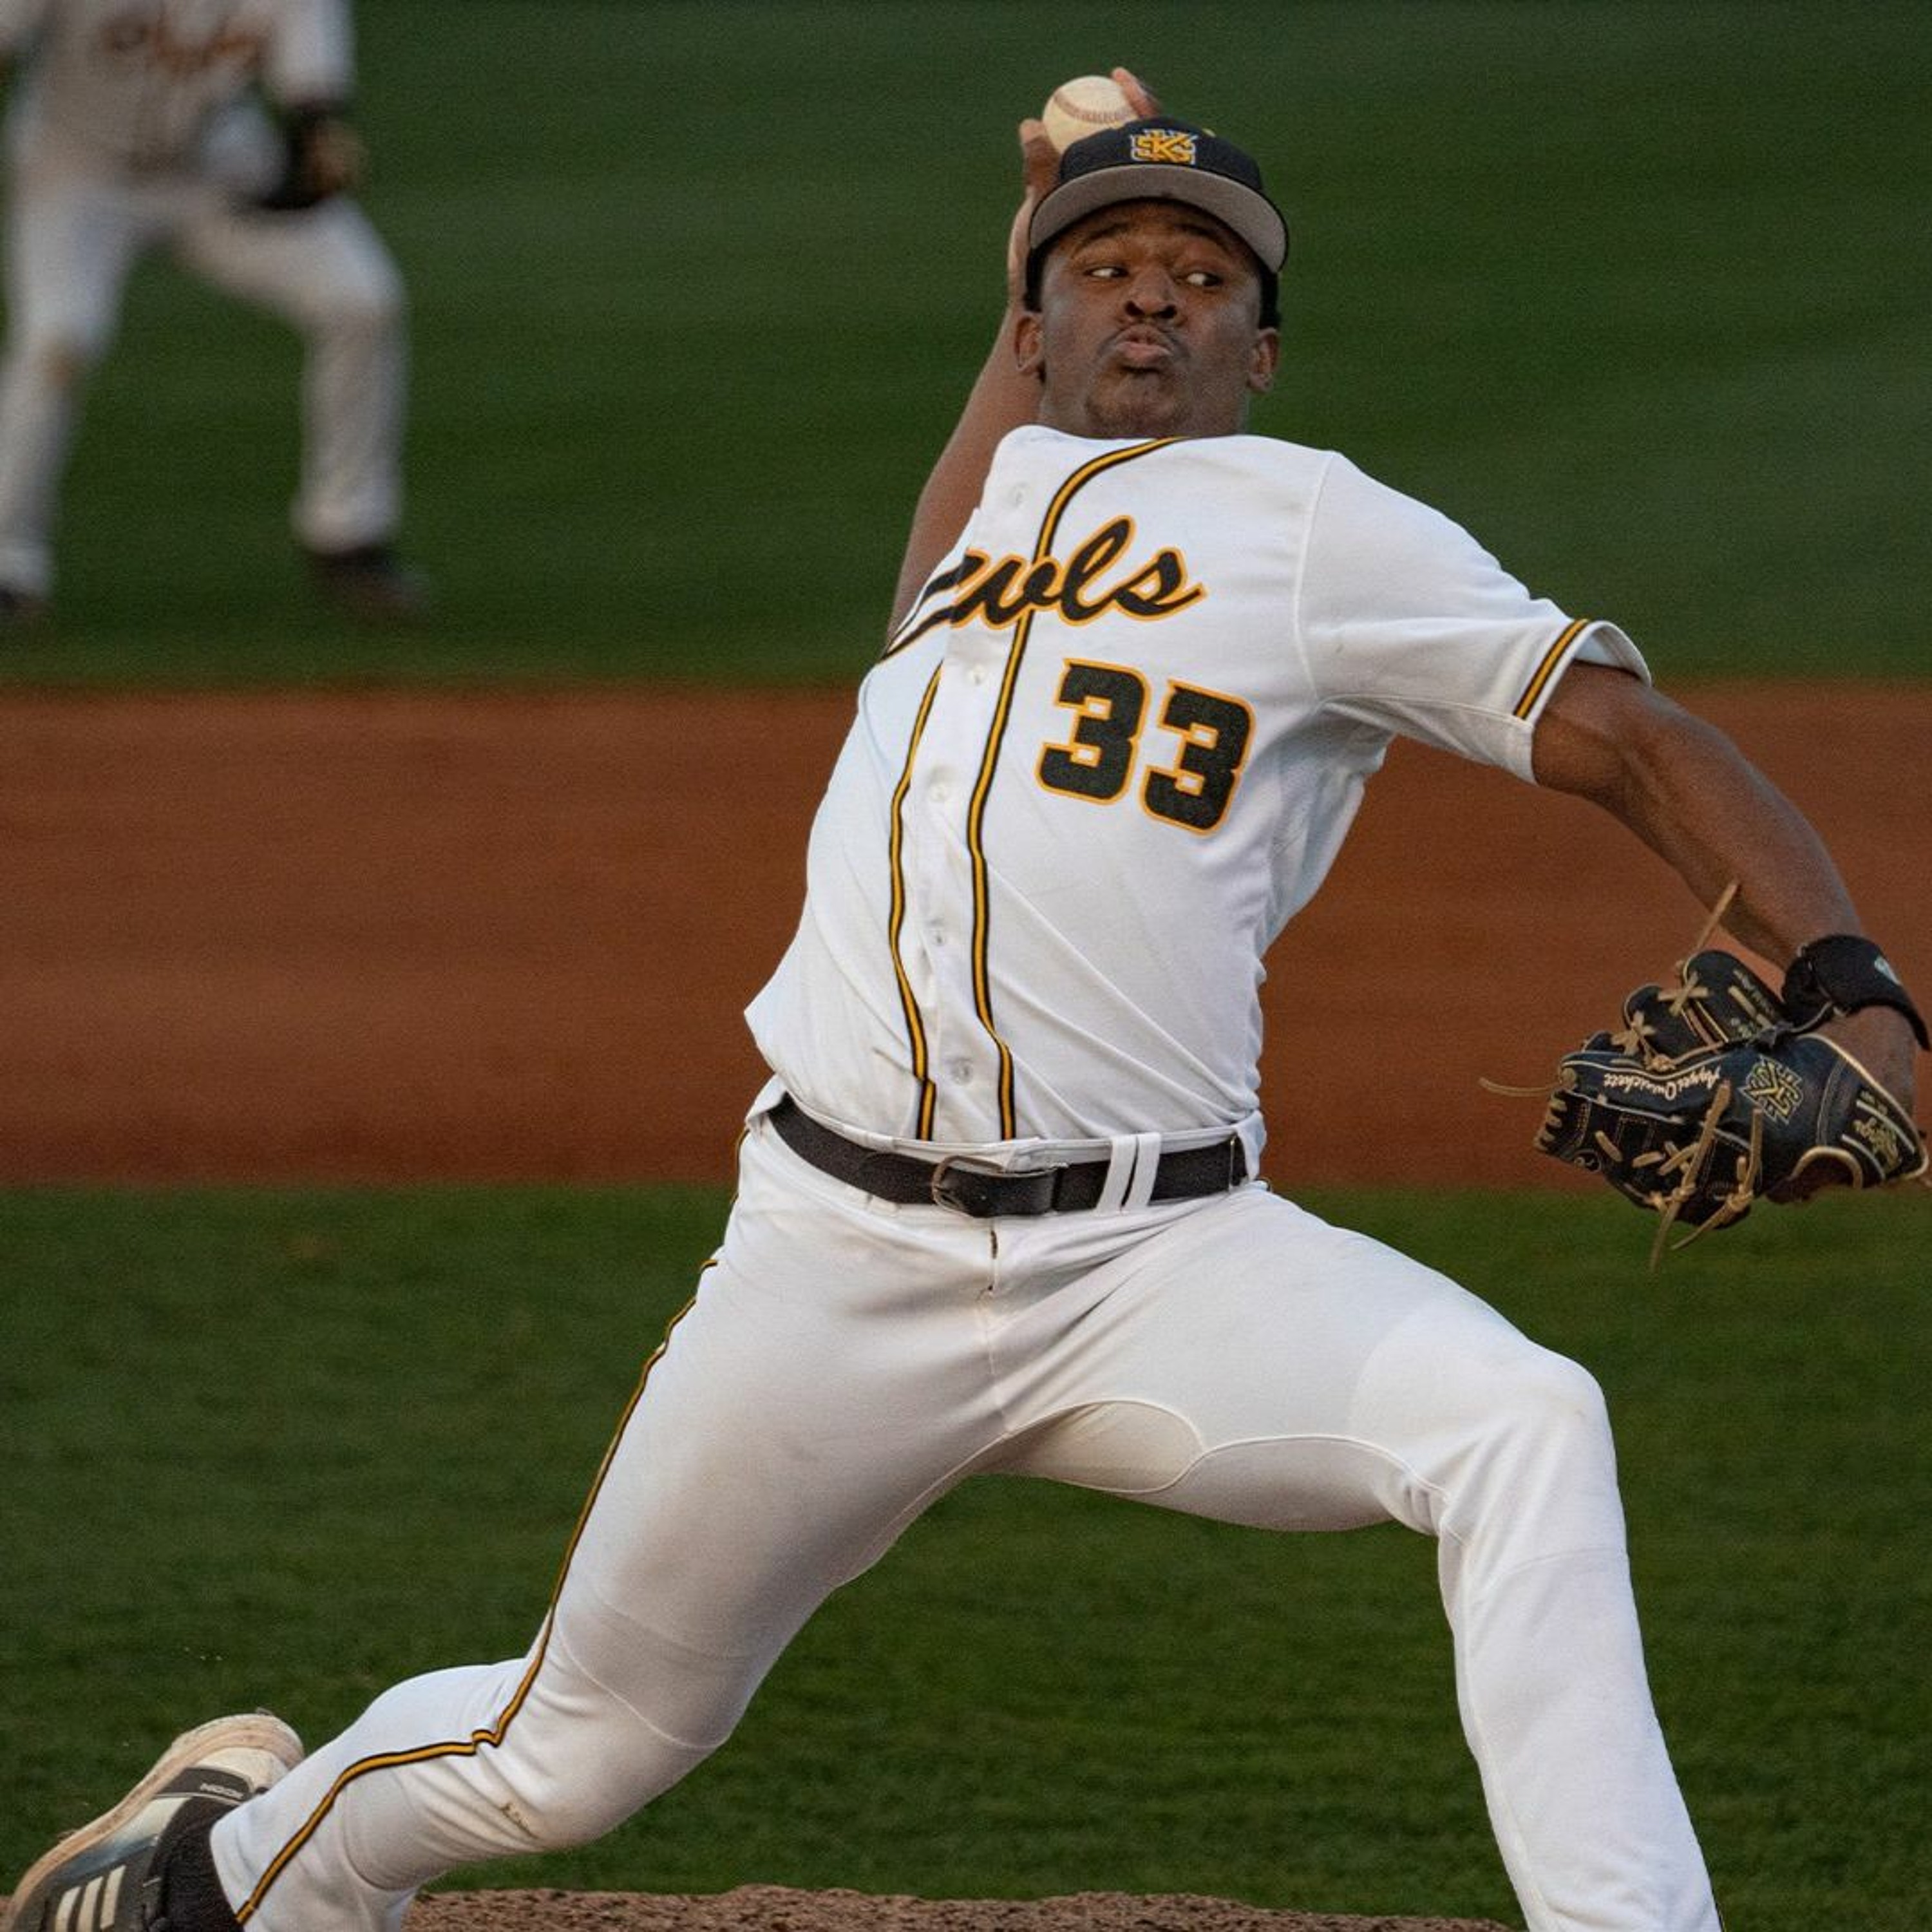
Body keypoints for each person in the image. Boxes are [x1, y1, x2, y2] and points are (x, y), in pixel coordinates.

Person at [6, 73, 1924, 1932]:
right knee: (570, 1750)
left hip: (1161, 1261)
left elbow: (1626, 735)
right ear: (1030, 328)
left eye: (1202, 274)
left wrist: (1847, 983)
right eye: (1107, 269)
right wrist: (1034, 227)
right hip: (834, 1265)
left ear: (1260, 351)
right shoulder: (992, 510)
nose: (1152, 295)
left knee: (1522, 1419)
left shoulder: (1321, 533)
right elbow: (954, 521)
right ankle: (217, 1868)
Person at [0, 0, 424, 625]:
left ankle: (349, 535)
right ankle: (9, 562)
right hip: (74, 175)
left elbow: (314, 91)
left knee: (362, 303)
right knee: (58, 341)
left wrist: (318, 141)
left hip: (217, 165)